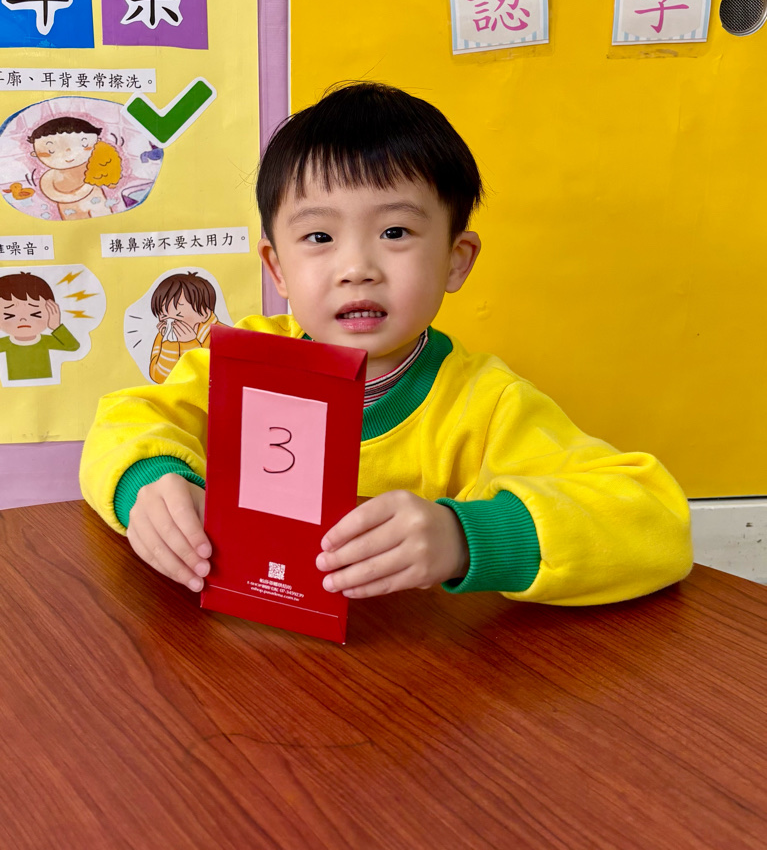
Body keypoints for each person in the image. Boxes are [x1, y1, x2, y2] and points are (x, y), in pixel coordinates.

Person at [80, 82, 692, 604]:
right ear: (277, 268)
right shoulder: (241, 362)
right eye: (319, 237)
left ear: (456, 259)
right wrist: (148, 484)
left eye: (395, 231)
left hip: (421, 679)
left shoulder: (486, 405)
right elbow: (124, 422)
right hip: (247, 651)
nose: (357, 268)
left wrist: (466, 537)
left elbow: (656, 521)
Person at [0, 272, 80, 381]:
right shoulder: (4, 343)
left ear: (51, 312)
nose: (23, 320)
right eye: (9, 316)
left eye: (35, 314)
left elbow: (73, 346)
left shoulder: (46, 341)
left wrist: (56, 326)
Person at [148, 272, 218, 384]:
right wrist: (169, 344)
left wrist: (190, 343)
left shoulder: (220, 335)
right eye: (164, 316)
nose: (171, 322)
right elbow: (159, 378)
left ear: (204, 313)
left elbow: (207, 378)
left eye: (178, 315)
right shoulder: (164, 335)